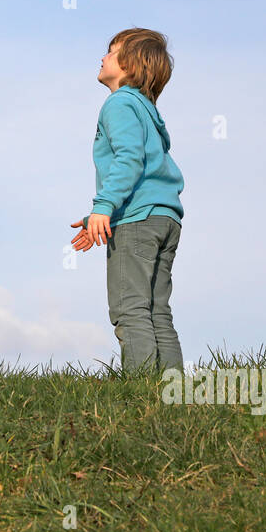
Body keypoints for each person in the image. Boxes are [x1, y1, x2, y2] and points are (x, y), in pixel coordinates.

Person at [70, 29, 185, 375]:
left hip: (137, 220)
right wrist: (101, 216)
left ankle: (142, 392)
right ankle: (172, 390)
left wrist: (104, 206)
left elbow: (129, 159)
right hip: (164, 218)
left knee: (130, 309)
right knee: (156, 309)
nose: (102, 57)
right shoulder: (146, 109)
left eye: (111, 51)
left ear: (129, 65)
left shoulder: (118, 103)